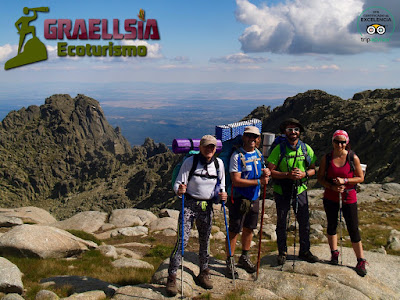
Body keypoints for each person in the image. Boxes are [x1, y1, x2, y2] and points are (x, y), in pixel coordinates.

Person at [166, 135, 227, 296]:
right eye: (207, 146)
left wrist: (223, 195)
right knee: (182, 241)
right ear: (200, 147)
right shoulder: (190, 162)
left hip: (207, 207)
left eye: (212, 147)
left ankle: (204, 272)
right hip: (190, 205)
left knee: (205, 241)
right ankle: (172, 276)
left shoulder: (219, 164)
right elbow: (179, 182)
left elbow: (222, 185)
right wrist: (179, 190)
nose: (210, 149)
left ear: (216, 148)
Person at [267, 118, 319, 265]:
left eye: (296, 129)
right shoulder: (279, 149)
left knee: (304, 222)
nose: (293, 132)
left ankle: (305, 250)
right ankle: (282, 252)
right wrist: (287, 175)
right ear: (285, 132)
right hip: (282, 190)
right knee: (282, 221)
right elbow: (270, 170)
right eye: (290, 130)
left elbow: (313, 169)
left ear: (300, 132)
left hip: (300, 189)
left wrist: (304, 174)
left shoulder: (306, 149)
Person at [317, 130, 367, 276]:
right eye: (337, 141)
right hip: (330, 196)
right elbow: (320, 178)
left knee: (353, 228)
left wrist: (345, 181)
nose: (340, 144)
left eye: (343, 142)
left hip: (349, 197)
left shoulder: (353, 157)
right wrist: (332, 186)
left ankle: (361, 259)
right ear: (332, 142)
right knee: (332, 225)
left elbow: (360, 177)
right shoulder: (327, 158)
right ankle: (334, 253)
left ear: (347, 143)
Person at [226, 126, 270, 278]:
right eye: (249, 136)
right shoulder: (237, 156)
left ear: (258, 139)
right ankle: (230, 262)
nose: (252, 139)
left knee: (249, 228)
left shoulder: (258, 153)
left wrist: (266, 172)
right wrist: (259, 182)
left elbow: (262, 169)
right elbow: (236, 180)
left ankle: (244, 257)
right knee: (234, 230)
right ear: (244, 137)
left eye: (255, 136)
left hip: (254, 198)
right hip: (239, 198)